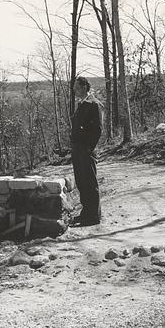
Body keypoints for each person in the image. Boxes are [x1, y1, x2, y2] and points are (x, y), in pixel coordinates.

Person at [70, 77, 103, 226]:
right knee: (81, 182)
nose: (74, 91)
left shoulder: (93, 104)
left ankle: (93, 216)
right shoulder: (82, 104)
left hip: (86, 149)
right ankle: (86, 213)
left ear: (84, 87)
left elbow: (97, 130)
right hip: (78, 148)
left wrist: (89, 147)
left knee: (90, 182)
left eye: (76, 88)